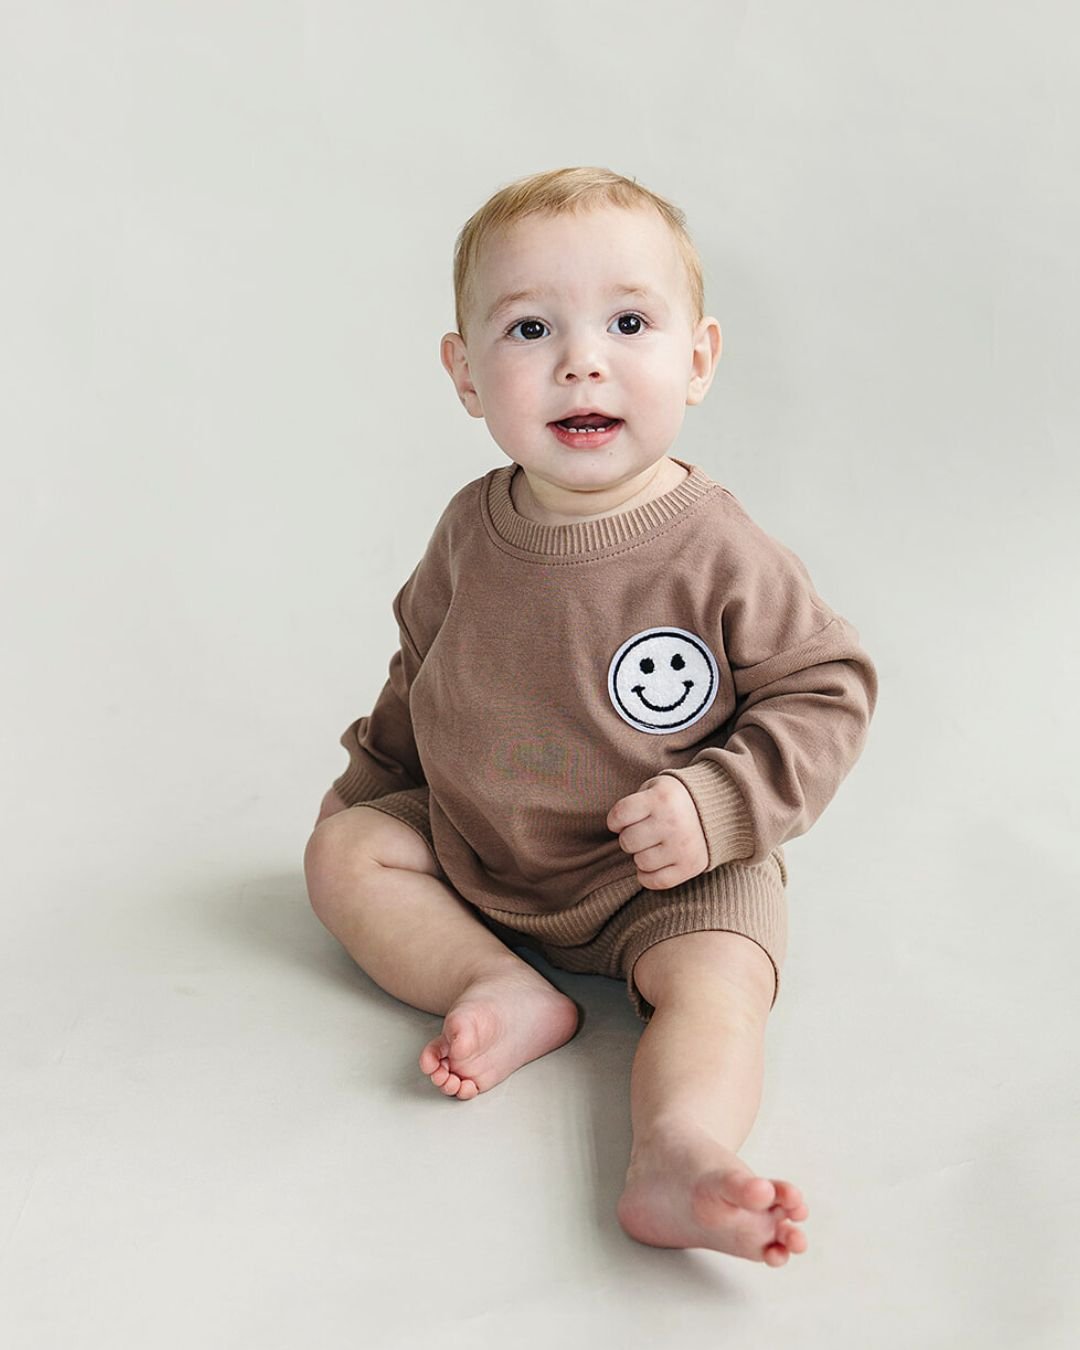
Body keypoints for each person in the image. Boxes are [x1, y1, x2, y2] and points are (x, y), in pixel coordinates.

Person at [303, 166, 878, 1267]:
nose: (582, 360)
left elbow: (827, 687)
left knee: (720, 982)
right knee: (341, 852)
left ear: (697, 360)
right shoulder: (470, 529)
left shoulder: (716, 546)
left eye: (628, 322)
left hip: (665, 875)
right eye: (530, 328)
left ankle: (678, 1149)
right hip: (484, 849)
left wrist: (718, 806)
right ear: (466, 375)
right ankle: (497, 984)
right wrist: (375, 795)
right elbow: (420, 670)